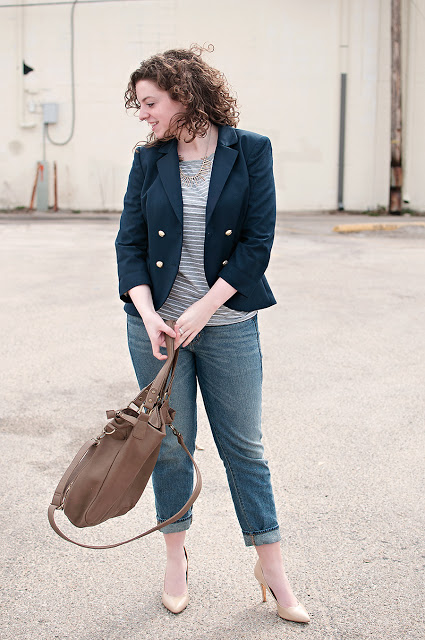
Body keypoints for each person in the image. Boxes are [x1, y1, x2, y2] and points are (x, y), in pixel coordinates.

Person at [115, 44, 310, 623]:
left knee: (245, 449)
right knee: (169, 450)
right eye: (139, 105)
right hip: (155, 330)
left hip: (225, 325)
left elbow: (257, 245)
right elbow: (129, 245)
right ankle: (175, 560)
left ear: (185, 94)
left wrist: (202, 307)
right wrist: (149, 313)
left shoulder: (250, 151)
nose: (143, 114)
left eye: (150, 103)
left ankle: (272, 570)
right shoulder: (149, 161)